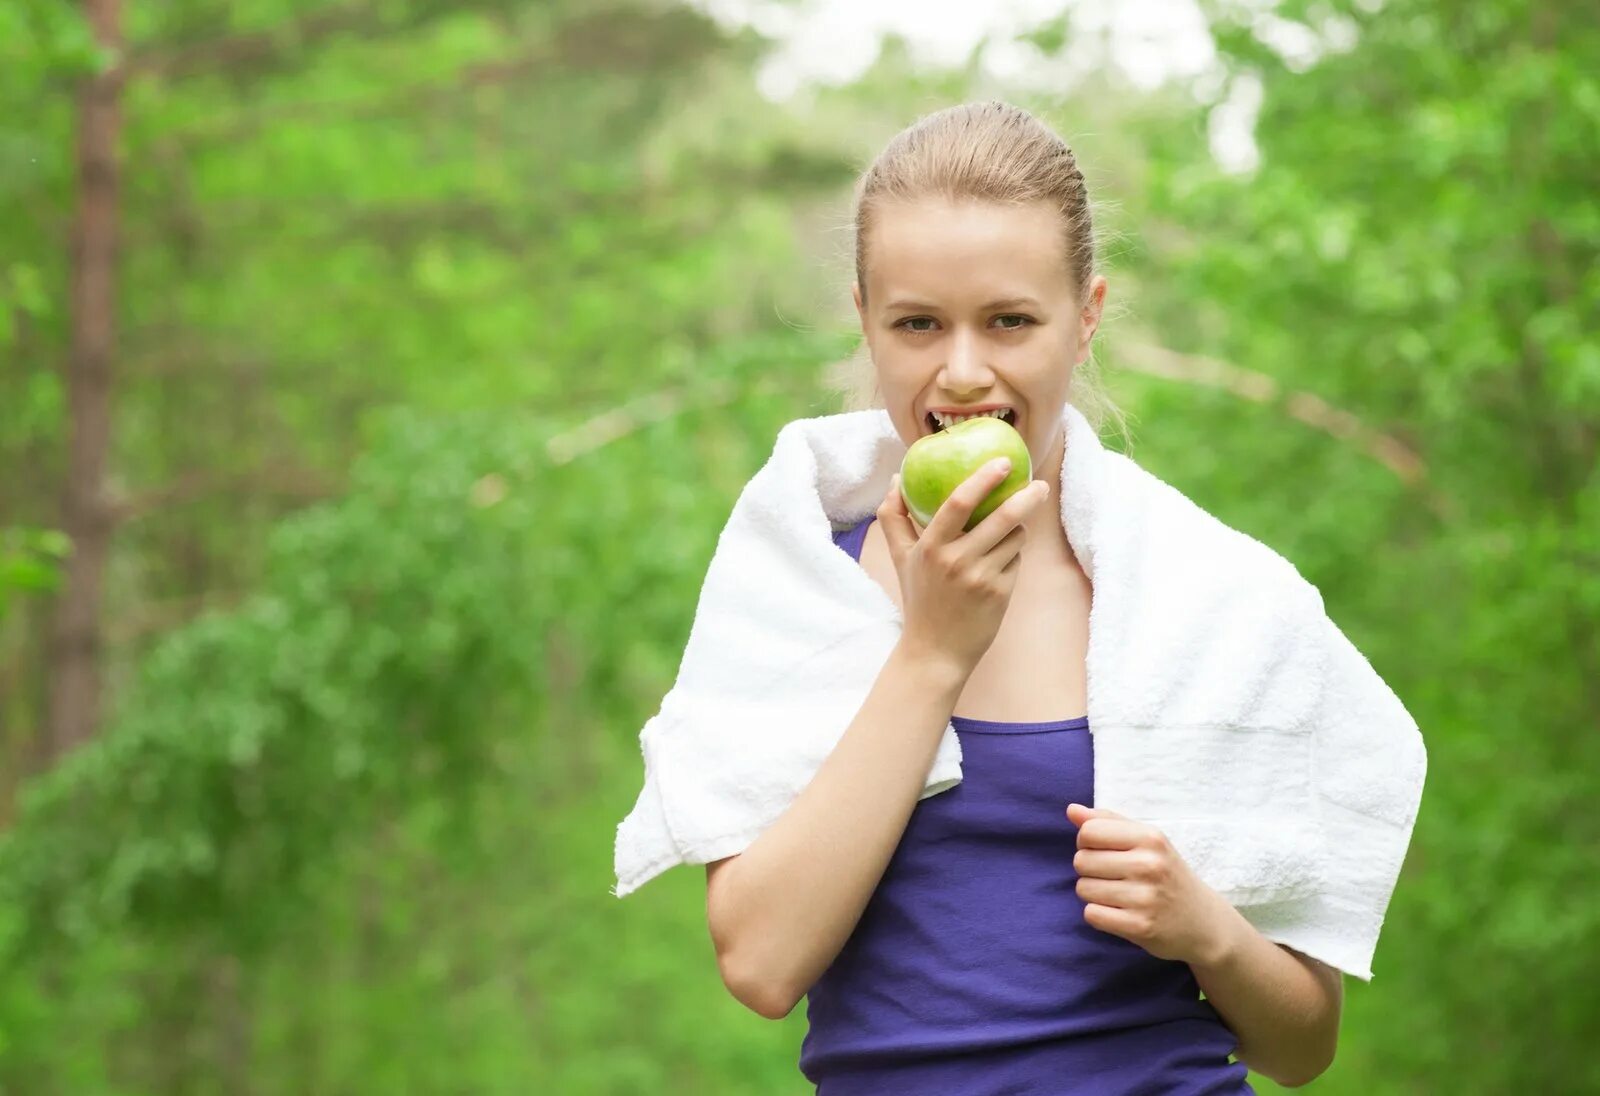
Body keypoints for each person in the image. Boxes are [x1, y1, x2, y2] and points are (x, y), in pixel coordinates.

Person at [702, 101, 1344, 1092]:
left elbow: (1302, 1046)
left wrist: (1208, 928)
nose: (962, 372)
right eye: (918, 322)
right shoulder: (801, 580)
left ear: (1084, 318)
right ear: (866, 318)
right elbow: (759, 963)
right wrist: (931, 650)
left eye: (1008, 320)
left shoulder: (1204, 601)